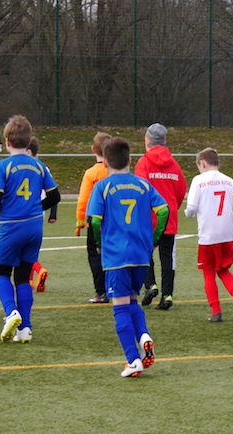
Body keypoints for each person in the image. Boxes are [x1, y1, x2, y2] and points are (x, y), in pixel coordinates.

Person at [87, 137, 168, 377]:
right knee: (132, 300)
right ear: (130, 160)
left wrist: (99, 244)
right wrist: (154, 239)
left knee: (120, 308)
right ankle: (143, 336)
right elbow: (163, 210)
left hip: (116, 257)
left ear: (105, 163)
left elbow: (94, 221)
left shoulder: (102, 186)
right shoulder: (143, 185)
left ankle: (133, 360)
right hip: (141, 256)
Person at [0, 116, 60, 344]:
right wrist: (37, 208)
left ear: (7, 142)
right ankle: (26, 328)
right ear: (29, 142)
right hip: (34, 227)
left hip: (11, 226)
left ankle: (11, 312)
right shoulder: (39, 166)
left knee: (1, 272)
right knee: (23, 275)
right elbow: (55, 196)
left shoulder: (2, 166)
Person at [184, 148, 233, 322]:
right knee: (223, 269)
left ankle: (216, 311)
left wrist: (188, 213)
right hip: (227, 234)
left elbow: (191, 208)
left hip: (208, 235)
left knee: (208, 272)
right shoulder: (228, 180)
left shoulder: (198, 181)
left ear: (202, 164)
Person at [134, 123, 187, 310]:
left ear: (147, 140)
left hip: (148, 217)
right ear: (164, 140)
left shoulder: (143, 163)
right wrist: (172, 208)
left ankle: (150, 284)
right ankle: (167, 294)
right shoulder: (174, 164)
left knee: (144, 253)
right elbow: (181, 190)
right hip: (168, 218)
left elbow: (140, 190)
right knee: (167, 257)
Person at [76, 132, 112, 303]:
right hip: (114, 219)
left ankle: (101, 292)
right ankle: (115, 287)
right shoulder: (114, 172)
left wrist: (80, 221)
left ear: (93, 150)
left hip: (95, 219)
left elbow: (84, 199)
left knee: (95, 255)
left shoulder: (91, 173)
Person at [25, 136, 55, 293]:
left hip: (24, 211)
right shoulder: (44, 168)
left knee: (23, 248)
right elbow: (54, 192)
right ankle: (29, 279)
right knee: (30, 246)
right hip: (39, 212)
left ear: (28, 152)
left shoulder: (23, 167)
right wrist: (53, 214)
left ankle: (38, 269)